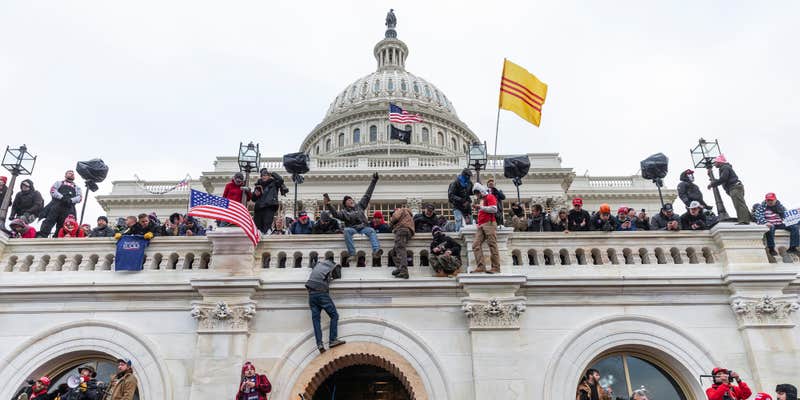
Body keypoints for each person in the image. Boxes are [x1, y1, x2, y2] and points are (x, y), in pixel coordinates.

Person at [324, 172, 382, 260]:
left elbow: (367, 195)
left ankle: (376, 250)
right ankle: (352, 253)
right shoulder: (344, 212)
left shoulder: (360, 206)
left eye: (351, 199)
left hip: (363, 227)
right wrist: (328, 204)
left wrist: (374, 181)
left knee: (371, 230)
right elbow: (335, 214)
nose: (351, 201)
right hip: (353, 228)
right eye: (348, 200)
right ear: (345, 204)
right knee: (346, 230)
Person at [305, 259, 346, 353]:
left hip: (311, 294)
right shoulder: (333, 266)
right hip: (321, 293)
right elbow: (338, 275)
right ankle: (333, 340)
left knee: (316, 320)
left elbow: (312, 265)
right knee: (334, 315)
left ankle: (319, 343)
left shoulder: (318, 264)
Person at [708, 155, 751, 224]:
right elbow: (724, 179)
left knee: (739, 204)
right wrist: (712, 177)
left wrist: (712, 184)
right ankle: (749, 219)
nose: (714, 164)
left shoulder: (724, 167)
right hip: (735, 187)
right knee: (740, 203)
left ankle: (744, 221)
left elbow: (723, 179)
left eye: (715, 162)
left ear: (719, 162)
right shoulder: (725, 167)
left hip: (734, 188)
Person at [39, 170, 83, 237]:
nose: (71, 175)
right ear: (65, 175)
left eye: (72, 174)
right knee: (49, 221)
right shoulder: (58, 183)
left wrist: (71, 200)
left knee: (64, 224)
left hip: (69, 208)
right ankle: (42, 235)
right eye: (69, 173)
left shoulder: (77, 187)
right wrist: (62, 197)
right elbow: (53, 190)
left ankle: (58, 237)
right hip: (56, 206)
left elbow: (79, 197)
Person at [470, 183, 500, 274]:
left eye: (477, 193)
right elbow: (484, 209)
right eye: (476, 194)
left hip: (489, 223)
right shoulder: (482, 200)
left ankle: (496, 268)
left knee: (492, 244)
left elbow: (494, 209)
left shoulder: (490, 197)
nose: (477, 195)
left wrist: (481, 207)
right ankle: (481, 267)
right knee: (475, 245)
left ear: (481, 191)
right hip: (481, 225)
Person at [252, 168, 288, 234]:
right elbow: (253, 199)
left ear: (269, 176)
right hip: (259, 207)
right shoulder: (258, 185)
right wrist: (255, 194)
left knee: (267, 224)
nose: (264, 177)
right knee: (257, 226)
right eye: (262, 175)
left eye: (265, 175)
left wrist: (272, 173)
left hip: (269, 206)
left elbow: (280, 180)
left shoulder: (274, 183)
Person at [389, 205, 414, 279]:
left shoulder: (401, 210)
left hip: (402, 230)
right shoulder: (408, 214)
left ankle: (404, 271)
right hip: (407, 231)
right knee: (394, 252)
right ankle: (400, 268)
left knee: (400, 250)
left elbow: (395, 218)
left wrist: (390, 224)